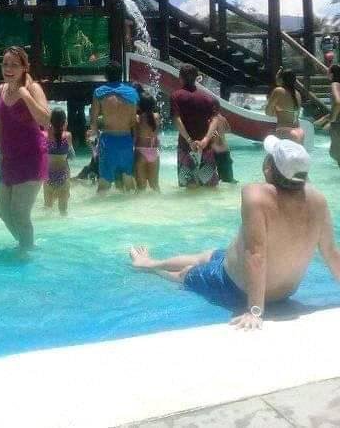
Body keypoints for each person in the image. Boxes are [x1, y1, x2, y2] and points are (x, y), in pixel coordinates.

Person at [129, 135, 340, 328]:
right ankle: (153, 262)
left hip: (236, 289)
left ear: (268, 168)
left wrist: (255, 310)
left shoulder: (256, 196)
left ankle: (150, 266)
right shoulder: (318, 201)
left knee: (186, 273)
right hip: (282, 292)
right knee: (211, 254)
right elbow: (331, 253)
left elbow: (256, 254)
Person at [0, 47, 50, 253]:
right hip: (9, 158)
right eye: (5, 64)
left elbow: (45, 120)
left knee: (20, 214)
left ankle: (26, 253)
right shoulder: (1, 90)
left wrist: (25, 95)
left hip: (32, 157)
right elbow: (1, 123)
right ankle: (28, 246)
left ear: (25, 67)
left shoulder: (33, 88)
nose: (8, 69)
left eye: (14, 65)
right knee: (3, 212)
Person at [90, 61, 138, 193]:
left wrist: (93, 141)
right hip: (126, 140)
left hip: (108, 141)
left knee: (104, 184)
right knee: (128, 181)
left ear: (106, 76)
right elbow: (133, 121)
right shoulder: (131, 92)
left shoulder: (99, 92)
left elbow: (93, 122)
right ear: (121, 74)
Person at [170, 64, 219, 188]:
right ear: (196, 78)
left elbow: (176, 119)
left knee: (190, 187)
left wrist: (189, 140)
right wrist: (205, 140)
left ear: (180, 78)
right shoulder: (208, 98)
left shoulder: (176, 96)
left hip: (185, 147)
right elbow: (215, 119)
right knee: (210, 186)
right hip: (206, 147)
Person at [44, 108, 75, 215]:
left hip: (48, 175)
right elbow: (72, 156)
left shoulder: (44, 136)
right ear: (64, 121)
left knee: (47, 208)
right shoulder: (68, 136)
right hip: (63, 175)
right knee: (63, 211)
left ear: (51, 121)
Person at [266, 68, 304, 144]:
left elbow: (268, 112)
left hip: (285, 131)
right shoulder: (297, 94)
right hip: (299, 132)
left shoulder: (278, 91)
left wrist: (275, 110)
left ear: (282, 79)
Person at [199, 106, 237, 183]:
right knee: (229, 180)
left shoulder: (209, 119)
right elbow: (228, 130)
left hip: (213, 151)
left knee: (205, 180)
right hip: (225, 151)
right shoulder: (223, 118)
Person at [134, 92, 161, 192]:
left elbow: (135, 136)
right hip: (154, 152)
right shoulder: (157, 116)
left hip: (141, 151)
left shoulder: (137, 118)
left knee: (141, 188)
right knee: (155, 186)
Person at [315, 64, 340, 166]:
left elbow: (338, 102)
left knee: (335, 153)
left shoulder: (335, 84)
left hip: (338, 123)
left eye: (328, 71)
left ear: (332, 74)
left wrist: (332, 118)